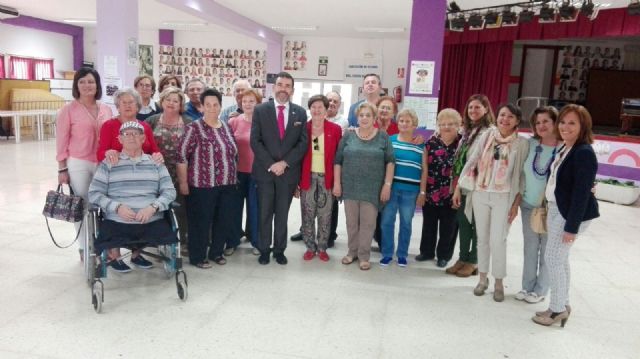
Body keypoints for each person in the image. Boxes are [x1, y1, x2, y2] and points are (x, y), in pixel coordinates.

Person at [532, 104, 599, 327]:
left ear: (583, 126)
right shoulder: (566, 148)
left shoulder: (584, 152)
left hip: (568, 213)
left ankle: (557, 310)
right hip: (556, 207)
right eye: (562, 122)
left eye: (572, 123)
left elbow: (581, 194)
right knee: (561, 259)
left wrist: (571, 227)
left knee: (553, 258)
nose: (565, 127)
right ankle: (563, 303)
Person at [454, 103, 529, 302]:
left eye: (510, 117)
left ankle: (498, 281)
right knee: (482, 239)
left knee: (499, 240)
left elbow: (521, 176)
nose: (505, 119)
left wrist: (515, 204)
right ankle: (482, 279)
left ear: (517, 121)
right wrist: (459, 186)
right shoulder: (487, 136)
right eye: (502, 114)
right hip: (480, 192)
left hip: (503, 196)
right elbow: (473, 160)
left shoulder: (521, 144)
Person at [88, 121, 176, 272]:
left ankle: (137, 255)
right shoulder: (109, 163)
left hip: (151, 222)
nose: (131, 137)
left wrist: (153, 207)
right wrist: (117, 207)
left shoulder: (156, 163)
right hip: (117, 223)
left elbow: (170, 192)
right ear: (120, 139)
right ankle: (115, 257)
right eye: (126, 134)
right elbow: (94, 193)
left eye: (136, 134)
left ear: (143, 139)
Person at [250, 72, 308, 265]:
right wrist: (271, 164)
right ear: (274, 87)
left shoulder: (300, 112)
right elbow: (255, 141)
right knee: (265, 212)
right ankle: (264, 249)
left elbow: (302, 143)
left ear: (292, 89)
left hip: (288, 173)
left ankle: (279, 250)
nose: (283, 88)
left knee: (282, 214)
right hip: (265, 172)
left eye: (287, 85)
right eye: (280, 84)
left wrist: (284, 163)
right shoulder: (260, 110)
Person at [177, 88, 238, 268]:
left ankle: (216, 252)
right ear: (202, 107)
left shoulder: (226, 126)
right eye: (208, 105)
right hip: (202, 185)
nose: (212, 108)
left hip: (227, 184)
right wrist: (183, 183)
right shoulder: (193, 128)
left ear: (220, 106)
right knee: (200, 222)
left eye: (216, 104)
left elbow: (232, 153)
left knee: (222, 220)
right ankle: (198, 256)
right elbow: (181, 157)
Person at [56, 67, 113, 260]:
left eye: (91, 81)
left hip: (102, 163)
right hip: (78, 162)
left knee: (102, 204)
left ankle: (101, 243)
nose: (87, 85)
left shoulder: (106, 108)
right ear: (76, 86)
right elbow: (61, 141)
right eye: (82, 82)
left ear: (97, 85)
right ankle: (84, 246)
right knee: (81, 204)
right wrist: (62, 168)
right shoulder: (68, 110)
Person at [333, 103, 395, 271]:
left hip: (372, 188)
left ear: (374, 118)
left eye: (368, 115)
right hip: (350, 187)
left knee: (368, 224)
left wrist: (387, 185)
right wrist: (337, 183)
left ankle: (364, 256)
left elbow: (390, 162)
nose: (365, 118)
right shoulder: (348, 135)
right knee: (352, 223)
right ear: (357, 117)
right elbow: (338, 161)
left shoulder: (383, 137)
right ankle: (352, 252)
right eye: (361, 115)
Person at [515, 107, 561, 304]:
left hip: (553, 208)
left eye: (545, 121)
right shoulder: (530, 144)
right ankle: (527, 287)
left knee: (548, 250)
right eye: (537, 122)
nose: (541, 126)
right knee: (530, 248)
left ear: (555, 123)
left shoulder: (564, 147)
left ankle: (541, 290)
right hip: (529, 205)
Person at [290, 90, 347, 246]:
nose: (316, 110)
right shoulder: (303, 129)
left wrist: (338, 183)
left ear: (326, 109)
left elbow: (338, 158)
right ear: (309, 109)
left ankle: (322, 247)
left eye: (320, 107)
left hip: (327, 178)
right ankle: (309, 247)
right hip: (307, 178)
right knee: (307, 214)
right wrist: (296, 183)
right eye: (313, 107)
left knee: (325, 215)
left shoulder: (335, 129)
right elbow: (297, 157)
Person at [447, 94, 495, 278]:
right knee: (463, 223)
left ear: (485, 109)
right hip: (463, 183)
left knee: (477, 224)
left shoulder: (489, 131)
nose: (473, 111)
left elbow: (477, 160)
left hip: (478, 185)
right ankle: (462, 258)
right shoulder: (468, 131)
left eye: (477, 107)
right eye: (470, 108)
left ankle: (473, 261)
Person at [145, 86, 193, 251]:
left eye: (176, 101)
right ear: (162, 101)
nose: (171, 103)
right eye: (168, 100)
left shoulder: (188, 123)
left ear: (181, 105)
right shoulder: (151, 121)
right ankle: (157, 239)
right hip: (156, 172)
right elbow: (143, 145)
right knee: (157, 206)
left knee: (181, 208)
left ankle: (183, 240)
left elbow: (194, 149)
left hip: (181, 171)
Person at [379, 109, 426, 267]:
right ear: (397, 123)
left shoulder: (421, 146)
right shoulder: (390, 141)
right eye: (401, 121)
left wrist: (422, 192)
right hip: (391, 189)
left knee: (406, 223)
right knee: (387, 221)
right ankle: (386, 253)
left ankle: (402, 254)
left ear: (415, 125)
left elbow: (424, 170)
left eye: (408, 121)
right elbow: (384, 165)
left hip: (411, 192)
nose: (404, 124)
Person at [417, 108, 462, 268]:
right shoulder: (430, 143)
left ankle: (444, 255)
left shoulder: (462, 143)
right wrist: (422, 192)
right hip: (431, 190)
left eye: (450, 124)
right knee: (429, 223)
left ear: (458, 125)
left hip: (452, 192)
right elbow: (424, 168)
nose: (446, 127)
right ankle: (427, 251)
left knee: (448, 226)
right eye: (442, 124)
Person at [229, 89, 262, 255]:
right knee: (234, 208)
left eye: (251, 101)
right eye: (245, 101)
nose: (247, 104)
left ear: (258, 103)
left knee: (254, 208)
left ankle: (256, 242)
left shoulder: (262, 122)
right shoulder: (234, 121)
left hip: (256, 172)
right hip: (237, 172)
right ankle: (232, 241)